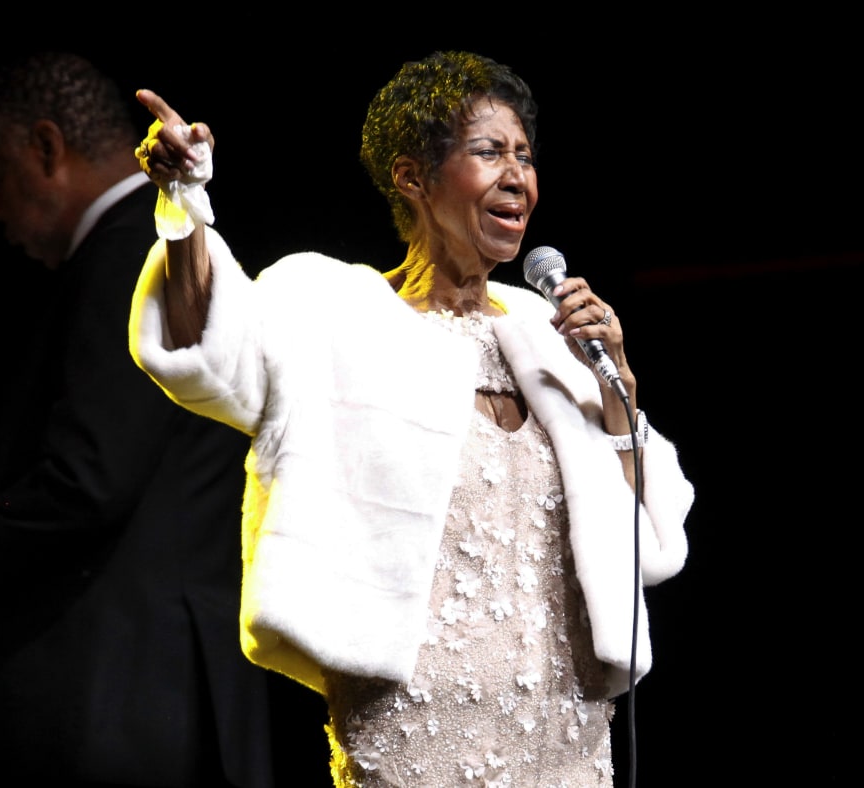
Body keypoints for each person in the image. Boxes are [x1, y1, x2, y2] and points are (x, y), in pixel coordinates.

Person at [129, 50, 695, 786]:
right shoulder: (334, 309)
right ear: (412, 177)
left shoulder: (544, 334)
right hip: (416, 727)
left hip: (567, 725)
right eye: (490, 152)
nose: (517, 176)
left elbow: (649, 543)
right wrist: (184, 202)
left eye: (524, 155)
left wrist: (620, 387)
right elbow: (209, 351)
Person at [0, 51, 318, 786]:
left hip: (128, 707)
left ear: (47, 148)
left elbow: (89, 476)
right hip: (163, 698)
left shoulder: (139, 248)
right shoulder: (134, 246)